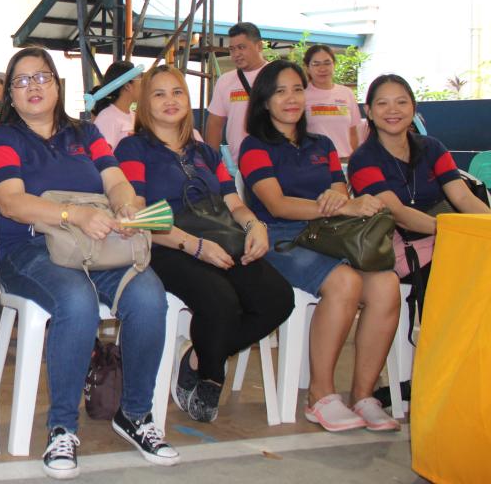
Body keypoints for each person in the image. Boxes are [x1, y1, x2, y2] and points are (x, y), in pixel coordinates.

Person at [0, 46, 178, 477]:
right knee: (77, 302)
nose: (33, 87)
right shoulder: (0, 140)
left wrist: (125, 207)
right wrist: (74, 215)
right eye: (21, 81)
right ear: (10, 95)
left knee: (150, 297)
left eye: (42, 77)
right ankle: (62, 428)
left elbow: (117, 182)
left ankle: (135, 414)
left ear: (57, 85)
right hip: (30, 250)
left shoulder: (85, 134)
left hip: (97, 245)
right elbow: (11, 203)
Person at [115, 66, 292, 422]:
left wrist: (255, 226)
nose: (170, 100)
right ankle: (212, 375)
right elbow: (140, 216)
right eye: (159, 94)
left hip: (221, 238)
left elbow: (233, 203)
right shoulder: (132, 148)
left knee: (277, 298)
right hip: (165, 245)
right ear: (144, 104)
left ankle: (197, 357)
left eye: (177, 92)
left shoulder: (206, 153)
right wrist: (195, 246)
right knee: (220, 300)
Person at [238, 60, 401, 433]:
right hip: (279, 238)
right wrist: (338, 205)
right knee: (345, 281)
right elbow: (277, 205)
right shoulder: (254, 146)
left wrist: (339, 201)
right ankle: (320, 395)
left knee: (386, 284)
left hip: (328, 235)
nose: (291, 98)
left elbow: (338, 193)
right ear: (264, 101)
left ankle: (363, 395)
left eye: (297, 89)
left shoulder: (322, 144)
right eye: (280, 91)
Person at [348, 75, 488, 327]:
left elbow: (463, 197)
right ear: (368, 111)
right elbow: (398, 213)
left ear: (413, 108)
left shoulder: (432, 147)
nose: (393, 110)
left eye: (401, 102)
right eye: (382, 103)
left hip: (445, 236)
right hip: (397, 244)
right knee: (462, 278)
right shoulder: (363, 159)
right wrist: (452, 230)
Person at [205, 22, 267, 158]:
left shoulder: (277, 75)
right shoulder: (225, 81)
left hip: (274, 161)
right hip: (237, 164)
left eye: (241, 47)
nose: (236, 54)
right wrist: (212, 163)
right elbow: (214, 124)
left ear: (259, 46)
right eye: (232, 49)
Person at [302, 45, 362, 159]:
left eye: (327, 63)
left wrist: (353, 159)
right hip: (317, 162)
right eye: (316, 64)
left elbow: (353, 133)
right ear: (307, 67)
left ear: (334, 64)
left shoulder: (347, 93)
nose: (322, 68)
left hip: (345, 160)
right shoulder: (302, 95)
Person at [92, 60, 139, 149]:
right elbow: (102, 155)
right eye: (139, 79)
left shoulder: (134, 116)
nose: (143, 84)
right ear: (127, 86)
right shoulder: (107, 117)